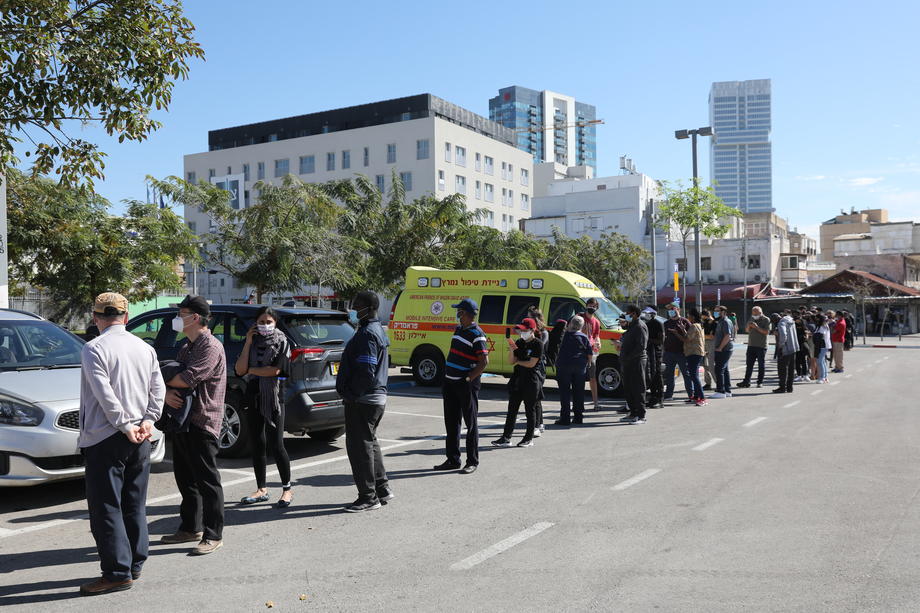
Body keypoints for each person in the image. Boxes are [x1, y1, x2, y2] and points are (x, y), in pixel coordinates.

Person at [78, 293, 165, 596]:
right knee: (133, 502)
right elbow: (158, 388)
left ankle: (117, 572)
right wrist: (148, 420)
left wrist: (126, 425)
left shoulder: (94, 348)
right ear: (126, 317)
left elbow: (105, 395)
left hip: (107, 436)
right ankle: (134, 563)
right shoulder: (144, 348)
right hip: (140, 434)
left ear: (96, 318)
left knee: (106, 507)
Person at [160, 295, 227, 555]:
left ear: (195, 317)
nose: (177, 318)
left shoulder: (210, 346)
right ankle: (190, 527)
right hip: (183, 421)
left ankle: (213, 534)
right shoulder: (187, 346)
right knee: (186, 479)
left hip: (203, 421)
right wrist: (166, 391)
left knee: (207, 481)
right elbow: (174, 380)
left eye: (181, 313)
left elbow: (188, 379)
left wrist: (161, 380)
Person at [336, 291, 392, 512]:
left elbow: (366, 371)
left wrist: (351, 394)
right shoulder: (374, 330)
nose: (353, 309)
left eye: (356, 305)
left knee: (360, 448)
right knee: (370, 443)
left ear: (369, 308)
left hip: (364, 399)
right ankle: (382, 488)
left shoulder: (368, 334)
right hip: (373, 398)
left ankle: (368, 497)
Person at [235, 307, 293, 508]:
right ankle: (261, 489)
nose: (265, 325)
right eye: (261, 322)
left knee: (277, 444)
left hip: (274, 398)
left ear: (275, 322)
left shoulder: (282, 342)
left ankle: (287, 489)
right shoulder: (251, 342)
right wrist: (247, 342)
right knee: (257, 443)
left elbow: (275, 370)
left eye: (269, 322)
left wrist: (252, 370)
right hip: (254, 396)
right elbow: (239, 369)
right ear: (255, 323)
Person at [435, 298, 488, 474]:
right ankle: (452, 459)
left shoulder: (477, 334)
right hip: (450, 382)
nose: (457, 313)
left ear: (465, 313)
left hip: (465, 385)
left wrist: (468, 378)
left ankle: (472, 461)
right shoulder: (459, 329)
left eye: (459, 311)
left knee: (470, 423)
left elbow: (484, 362)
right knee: (451, 422)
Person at [493, 318, 544, 447]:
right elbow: (511, 361)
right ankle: (506, 438)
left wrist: (518, 361)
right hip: (518, 379)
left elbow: (531, 363)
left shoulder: (538, 344)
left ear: (532, 330)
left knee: (530, 410)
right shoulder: (519, 342)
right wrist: (511, 349)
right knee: (512, 410)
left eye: (525, 330)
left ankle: (528, 438)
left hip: (531, 380)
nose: (522, 333)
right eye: (521, 330)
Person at [553, 315, 591, 426]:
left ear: (570, 324)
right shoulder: (584, 337)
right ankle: (578, 417)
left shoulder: (564, 336)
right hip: (580, 366)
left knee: (565, 392)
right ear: (582, 326)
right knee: (578, 392)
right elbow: (589, 353)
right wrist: (587, 364)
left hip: (564, 365)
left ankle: (565, 418)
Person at [616, 305, 648, 424]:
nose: (626, 315)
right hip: (627, 362)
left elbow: (641, 346)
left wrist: (628, 357)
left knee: (638, 388)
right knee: (629, 388)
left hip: (636, 361)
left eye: (628, 313)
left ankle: (641, 415)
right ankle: (633, 413)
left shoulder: (640, 326)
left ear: (634, 314)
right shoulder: (632, 326)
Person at [662, 303, 693, 401]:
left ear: (678, 309)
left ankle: (691, 395)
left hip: (682, 353)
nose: (670, 311)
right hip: (669, 353)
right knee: (669, 375)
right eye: (669, 309)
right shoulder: (666, 323)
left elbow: (690, 337)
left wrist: (682, 330)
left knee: (686, 374)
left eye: (672, 309)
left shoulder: (685, 321)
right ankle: (669, 395)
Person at [526, 305, 549, 437]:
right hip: (533, 366)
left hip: (539, 367)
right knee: (536, 397)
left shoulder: (543, 333)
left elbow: (540, 347)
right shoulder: (533, 333)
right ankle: (539, 423)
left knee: (536, 396)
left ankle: (537, 425)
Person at [736, 306, 771, 389]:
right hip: (751, 345)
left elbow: (766, 332)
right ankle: (746, 381)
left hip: (761, 346)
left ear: (760, 313)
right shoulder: (751, 318)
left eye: (756, 314)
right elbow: (747, 330)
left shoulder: (766, 319)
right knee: (749, 364)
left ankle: (760, 382)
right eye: (753, 314)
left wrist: (756, 327)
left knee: (761, 365)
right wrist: (748, 326)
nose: (754, 315)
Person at [580, 298, 602, 407]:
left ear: (596, 308)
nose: (592, 308)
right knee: (579, 378)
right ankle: (578, 404)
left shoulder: (596, 322)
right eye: (590, 305)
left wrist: (598, 342)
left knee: (592, 378)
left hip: (592, 352)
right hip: (580, 352)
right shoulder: (580, 318)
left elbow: (596, 336)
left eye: (594, 306)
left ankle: (596, 403)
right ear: (586, 305)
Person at [683, 308, 707, 406]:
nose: (687, 317)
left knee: (694, 376)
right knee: (694, 374)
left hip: (694, 353)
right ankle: (697, 396)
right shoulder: (699, 325)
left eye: (688, 315)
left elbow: (687, 339)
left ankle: (702, 398)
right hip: (697, 352)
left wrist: (678, 332)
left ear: (692, 316)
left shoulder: (694, 326)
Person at [709, 305, 734, 399]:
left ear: (723, 312)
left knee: (719, 369)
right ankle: (727, 390)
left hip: (724, 349)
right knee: (724, 370)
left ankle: (720, 391)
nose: (715, 313)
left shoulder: (725, 321)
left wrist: (720, 347)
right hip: (724, 348)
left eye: (717, 311)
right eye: (714, 311)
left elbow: (727, 336)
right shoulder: (720, 321)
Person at [642, 306, 664, 409]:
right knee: (650, 375)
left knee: (657, 375)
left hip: (656, 353)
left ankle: (660, 399)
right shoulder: (646, 323)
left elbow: (661, 340)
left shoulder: (658, 323)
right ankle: (653, 397)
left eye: (648, 313)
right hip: (648, 352)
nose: (646, 315)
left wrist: (648, 340)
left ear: (653, 314)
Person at [773, 309, 799, 393]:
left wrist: (781, 346)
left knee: (782, 369)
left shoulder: (781, 323)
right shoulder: (790, 320)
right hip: (793, 347)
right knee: (791, 369)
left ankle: (782, 387)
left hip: (785, 349)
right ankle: (789, 387)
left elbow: (784, 335)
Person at [701, 309, 716, 390]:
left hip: (711, 344)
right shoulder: (705, 322)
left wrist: (703, 335)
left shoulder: (714, 323)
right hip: (704, 343)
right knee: (704, 364)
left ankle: (718, 383)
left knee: (711, 366)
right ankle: (708, 383)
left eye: (702, 316)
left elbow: (712, 336)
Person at [813, 313, 831, 384]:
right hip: (821, 346)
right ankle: (825, 377)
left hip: (823, 346)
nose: (816, 320)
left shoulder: (823, 326)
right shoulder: (820, 326)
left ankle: (822, 378)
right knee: (822, 361)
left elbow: (821, 336)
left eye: (817, 318)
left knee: (819, 361)